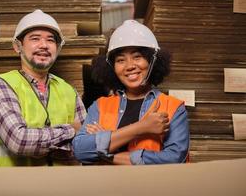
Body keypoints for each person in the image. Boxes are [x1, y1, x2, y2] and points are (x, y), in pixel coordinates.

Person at [73, 20, 189, 165]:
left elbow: (174, 158)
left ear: (152, 61)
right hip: (106, 186)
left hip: (152, 186)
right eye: (121, 60)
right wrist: (142, 127)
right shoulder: (101, 106)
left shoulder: (173, 107)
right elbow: (80, 150)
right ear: (112, 67)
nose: (129, 66)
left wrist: (108, 155)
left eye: (137, 57)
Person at [0, 9, 86, 166]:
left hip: (63, 187)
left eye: (50, 40)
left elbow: (87, 145)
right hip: (18, 188)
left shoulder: (68, 91)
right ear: (18, 46)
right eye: (35, 39)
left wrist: (42, 145)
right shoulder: (3, 85)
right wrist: (70, 130)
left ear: (57, 48)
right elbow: (19, 141)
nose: (43, 45)